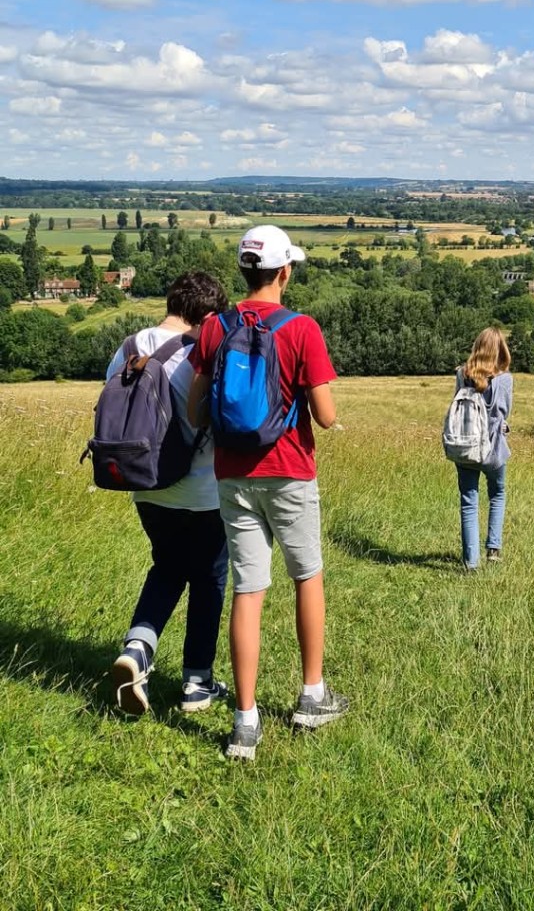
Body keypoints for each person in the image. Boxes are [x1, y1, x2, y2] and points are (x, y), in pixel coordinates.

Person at [187, 225, 345, 762]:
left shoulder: (213, 327)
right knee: (307, 576)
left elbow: (193, 410)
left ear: (243, 270)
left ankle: (245, 723)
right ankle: (310, 696)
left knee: (247, 589)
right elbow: (326, 417)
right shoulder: (301, 329)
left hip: (232, 474)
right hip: (291, 472)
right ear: (284, 271)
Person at [109, 271, 230, 717]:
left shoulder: (126, 348)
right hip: (202, 492)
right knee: (209, 578)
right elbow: (216, 418)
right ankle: (197, 682)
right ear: (208, 315)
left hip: (144, 486)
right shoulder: (198, 354)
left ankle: (138, 648)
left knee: (167, 567)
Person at [453, 327, 513, 571]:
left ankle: (471, 562)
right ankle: (494, 550)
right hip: (494, 449)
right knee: (497, 495)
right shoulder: (505, 379)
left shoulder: (461, 373)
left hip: (466, 446)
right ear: (501, 350)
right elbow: (504, 413)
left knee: (469, 500)